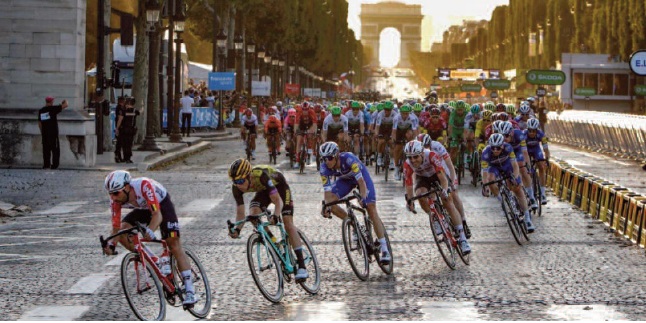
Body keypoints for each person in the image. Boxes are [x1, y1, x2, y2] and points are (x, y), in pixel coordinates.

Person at [102, 170, 198, 305]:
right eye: (110, 194)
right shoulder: (116, 200)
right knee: (123, 232)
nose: (113, 197)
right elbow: (116, 228)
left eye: (116, 193)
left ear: (127, 187)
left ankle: (190, 291)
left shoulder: (143, 185)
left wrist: (150, 231)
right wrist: (111, 244)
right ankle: (156, 261)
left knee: (173, 244)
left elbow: (157, 215)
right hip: (143, 209)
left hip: (161, 206)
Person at [227, 159, 309, 280]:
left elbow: (277, 201)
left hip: (279, 187)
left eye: (240, 181)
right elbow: (240, 212)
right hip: (263, 191)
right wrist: (237, 230)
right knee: (254, 215)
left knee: (287, 222)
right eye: (235, 181)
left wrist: (275, 216)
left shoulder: (261, 176)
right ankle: (274, 242)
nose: (238, 184)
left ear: (249, 176)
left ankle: (302, 266)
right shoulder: (236, 188)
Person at [319, 141, 392, 264]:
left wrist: (363, 198)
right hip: (345, 181)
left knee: (371, 208)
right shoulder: (324, 168)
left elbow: (362, 183)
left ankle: (385, 249)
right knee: (330, 204)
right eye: (324, 159)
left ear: (336, 155)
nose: (327, 161)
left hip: (361, 178)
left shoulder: (349, 159)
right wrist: (326, 206)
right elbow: (327, 192)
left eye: (330, 158)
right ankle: (354, 225)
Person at [403, 140, 471, 254]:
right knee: (420, 194)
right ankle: (435, 218)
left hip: (437, 175)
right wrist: (410, 200)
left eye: (415, 157)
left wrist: (445, 190)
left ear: (421, 153)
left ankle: (463, 239)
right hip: (422, 178)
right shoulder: (407, 164)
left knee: (448, 202)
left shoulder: (431, 155)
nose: (413, 160)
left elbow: (443, 178)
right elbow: (409, 184)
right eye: (410, 158)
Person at [481, 134, 535, 232]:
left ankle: (527, 218)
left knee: (517, 189)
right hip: (494, 167)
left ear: (502, 145)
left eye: (498, 148)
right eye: (493, 148)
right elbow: (484, 173)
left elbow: (515, 165)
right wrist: (485, 186)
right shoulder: (485, 153)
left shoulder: (508, 148)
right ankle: (503, 202)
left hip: (508, 166)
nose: (495, 150)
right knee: (490, 179)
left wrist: (515, 177)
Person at [38, 96, 68, 169]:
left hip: (45, 133)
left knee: (46, 150)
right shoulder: (53, 109)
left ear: (46, 101)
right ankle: (54, 165)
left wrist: (42, 131)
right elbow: (66, 105)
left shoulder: (41, 110)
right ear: (52, 102)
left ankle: (46, 165)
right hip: (53, 133)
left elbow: (39, 123)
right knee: (55, 150)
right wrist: (65, 100)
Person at [116, 97, 140, 164]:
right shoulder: (135, 111)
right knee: (129, 144)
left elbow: (120, 120)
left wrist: (117, 128)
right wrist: (142, 105)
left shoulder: (123, 111)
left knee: (124, 144)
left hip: (124, 129)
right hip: (131, 130)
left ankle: (125, 157)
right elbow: (141, 111)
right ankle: (128, 158)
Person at [114, 96, 126, 163]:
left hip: (121, 127)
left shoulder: (120, 108)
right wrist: (117, 128)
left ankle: (119, 156)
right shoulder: (119, 108)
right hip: (120, 128)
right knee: (119, 142)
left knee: (120, 142)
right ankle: (118, 156)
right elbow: (120, 118)